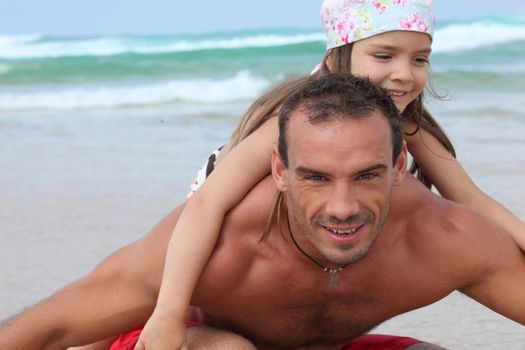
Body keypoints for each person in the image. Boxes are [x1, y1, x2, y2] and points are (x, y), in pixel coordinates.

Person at [1, 73, 524, 350]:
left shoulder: (446, 239)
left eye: (367, 174)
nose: (343, 209)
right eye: (315, 177)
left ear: (398, 164)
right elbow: (46, 331)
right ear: (278, 170)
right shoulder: (222, 248)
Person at [136, 0, 525, 349]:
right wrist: (167, 314)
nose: (404, 74)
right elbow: (206, 204)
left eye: (419, 59)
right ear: (342, 53)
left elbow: (471, 199)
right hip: (207, 299)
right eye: (384, 55)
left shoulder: (403, 124)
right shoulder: (295, 119)